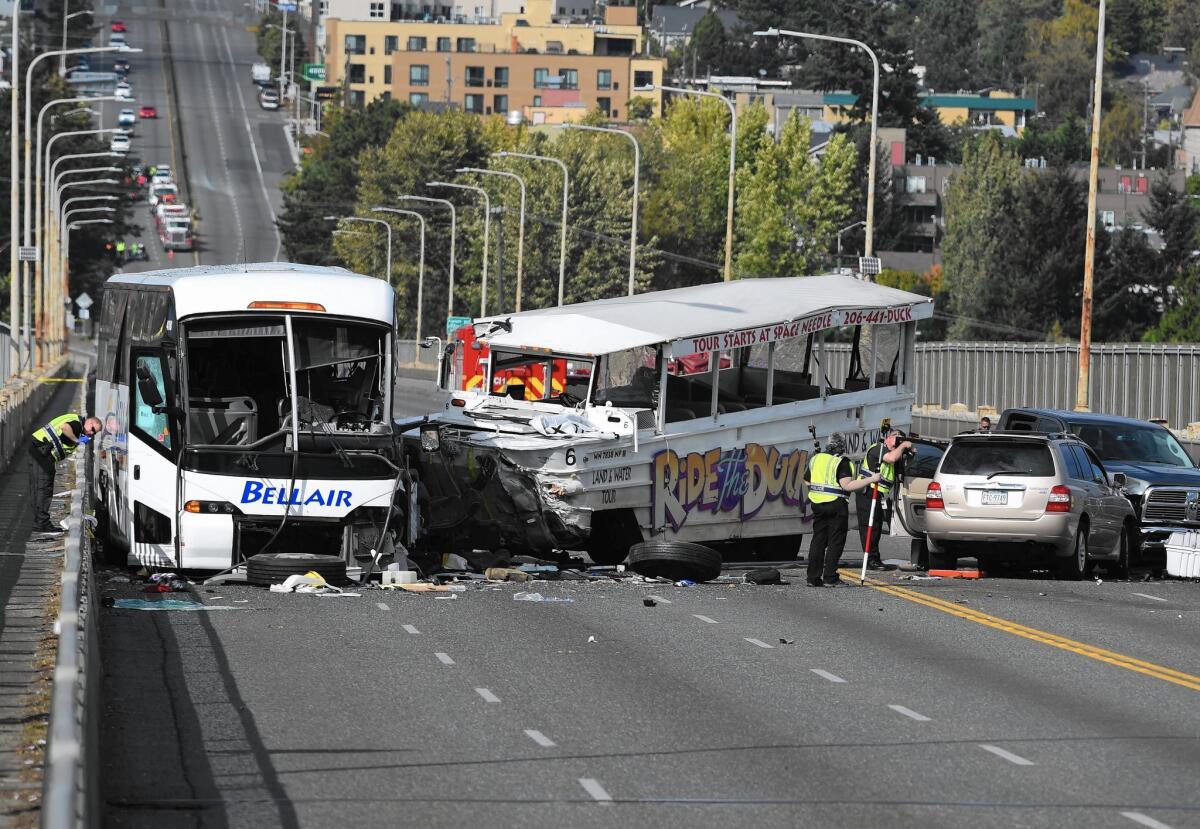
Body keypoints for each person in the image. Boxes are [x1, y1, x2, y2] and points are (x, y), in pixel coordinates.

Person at [805, 433, 880, 587]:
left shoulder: (816, 458)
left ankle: (813, 577)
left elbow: (807, 481)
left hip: (817, 503)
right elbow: (847, 485)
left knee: (818, 540)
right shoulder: (841, 461)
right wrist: (871, 479)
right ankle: (830, 577)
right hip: (836, 504)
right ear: (841, 446)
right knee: (835, 542)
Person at [28, 413, 102, 535]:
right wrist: (76, 440)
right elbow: (64, 427)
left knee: (38, 487)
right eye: (92, 429)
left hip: (39, 449)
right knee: (43, 487)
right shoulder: (78, 425)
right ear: (89, 422)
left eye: (94, 433)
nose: (91, 434)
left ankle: (40, 522)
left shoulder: (76, 420)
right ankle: (42, 523)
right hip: (42, 450)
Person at [856, 427, 914, 571]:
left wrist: (910, 454)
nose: (897, 444)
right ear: (888, 437)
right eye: (896, 439)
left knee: (876, 528)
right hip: (868, 491)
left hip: (880, 494)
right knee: (870, 527)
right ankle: (870, 559)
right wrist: (903, 445)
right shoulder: (878, 449)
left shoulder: (893, 451)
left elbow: (903, 468)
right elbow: (891, 458)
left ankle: (874, 557)